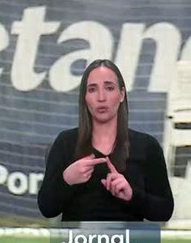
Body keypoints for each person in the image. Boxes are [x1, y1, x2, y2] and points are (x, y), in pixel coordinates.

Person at [37, 58, 174, 222]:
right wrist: (67, 180)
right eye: (92, 89)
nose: (101, 97)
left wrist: (132, 195)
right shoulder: (66, 142)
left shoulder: (147, 146)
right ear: (85, 97)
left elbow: (165, 211)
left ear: (121, 94)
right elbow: (47, 209)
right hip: (78, 238)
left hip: (129, 238)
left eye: (109, 88)